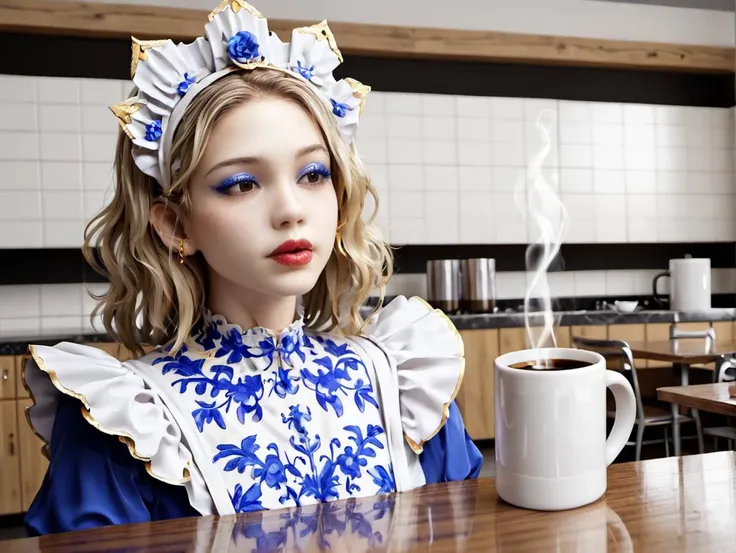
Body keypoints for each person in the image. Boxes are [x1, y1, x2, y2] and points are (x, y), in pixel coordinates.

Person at [22, 0, 482, 535]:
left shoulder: (405, 384)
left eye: (313, 173)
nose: (292, 209)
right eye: (241, 183)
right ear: (176, 225)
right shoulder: (122, 419)